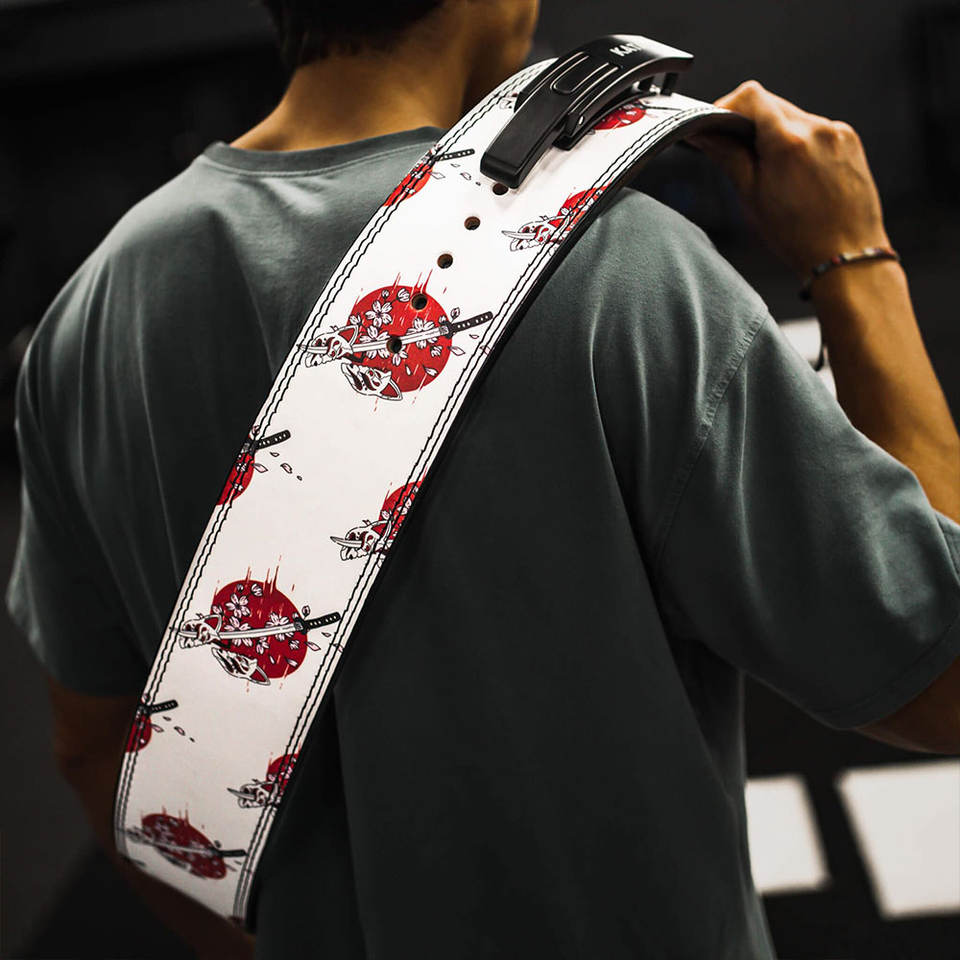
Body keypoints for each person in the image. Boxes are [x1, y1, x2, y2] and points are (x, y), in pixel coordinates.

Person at [6, 1, 959, 957]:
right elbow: (939, 678)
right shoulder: (625, 272)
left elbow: (92, 747)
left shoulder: (85, 320)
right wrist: (856, 257)